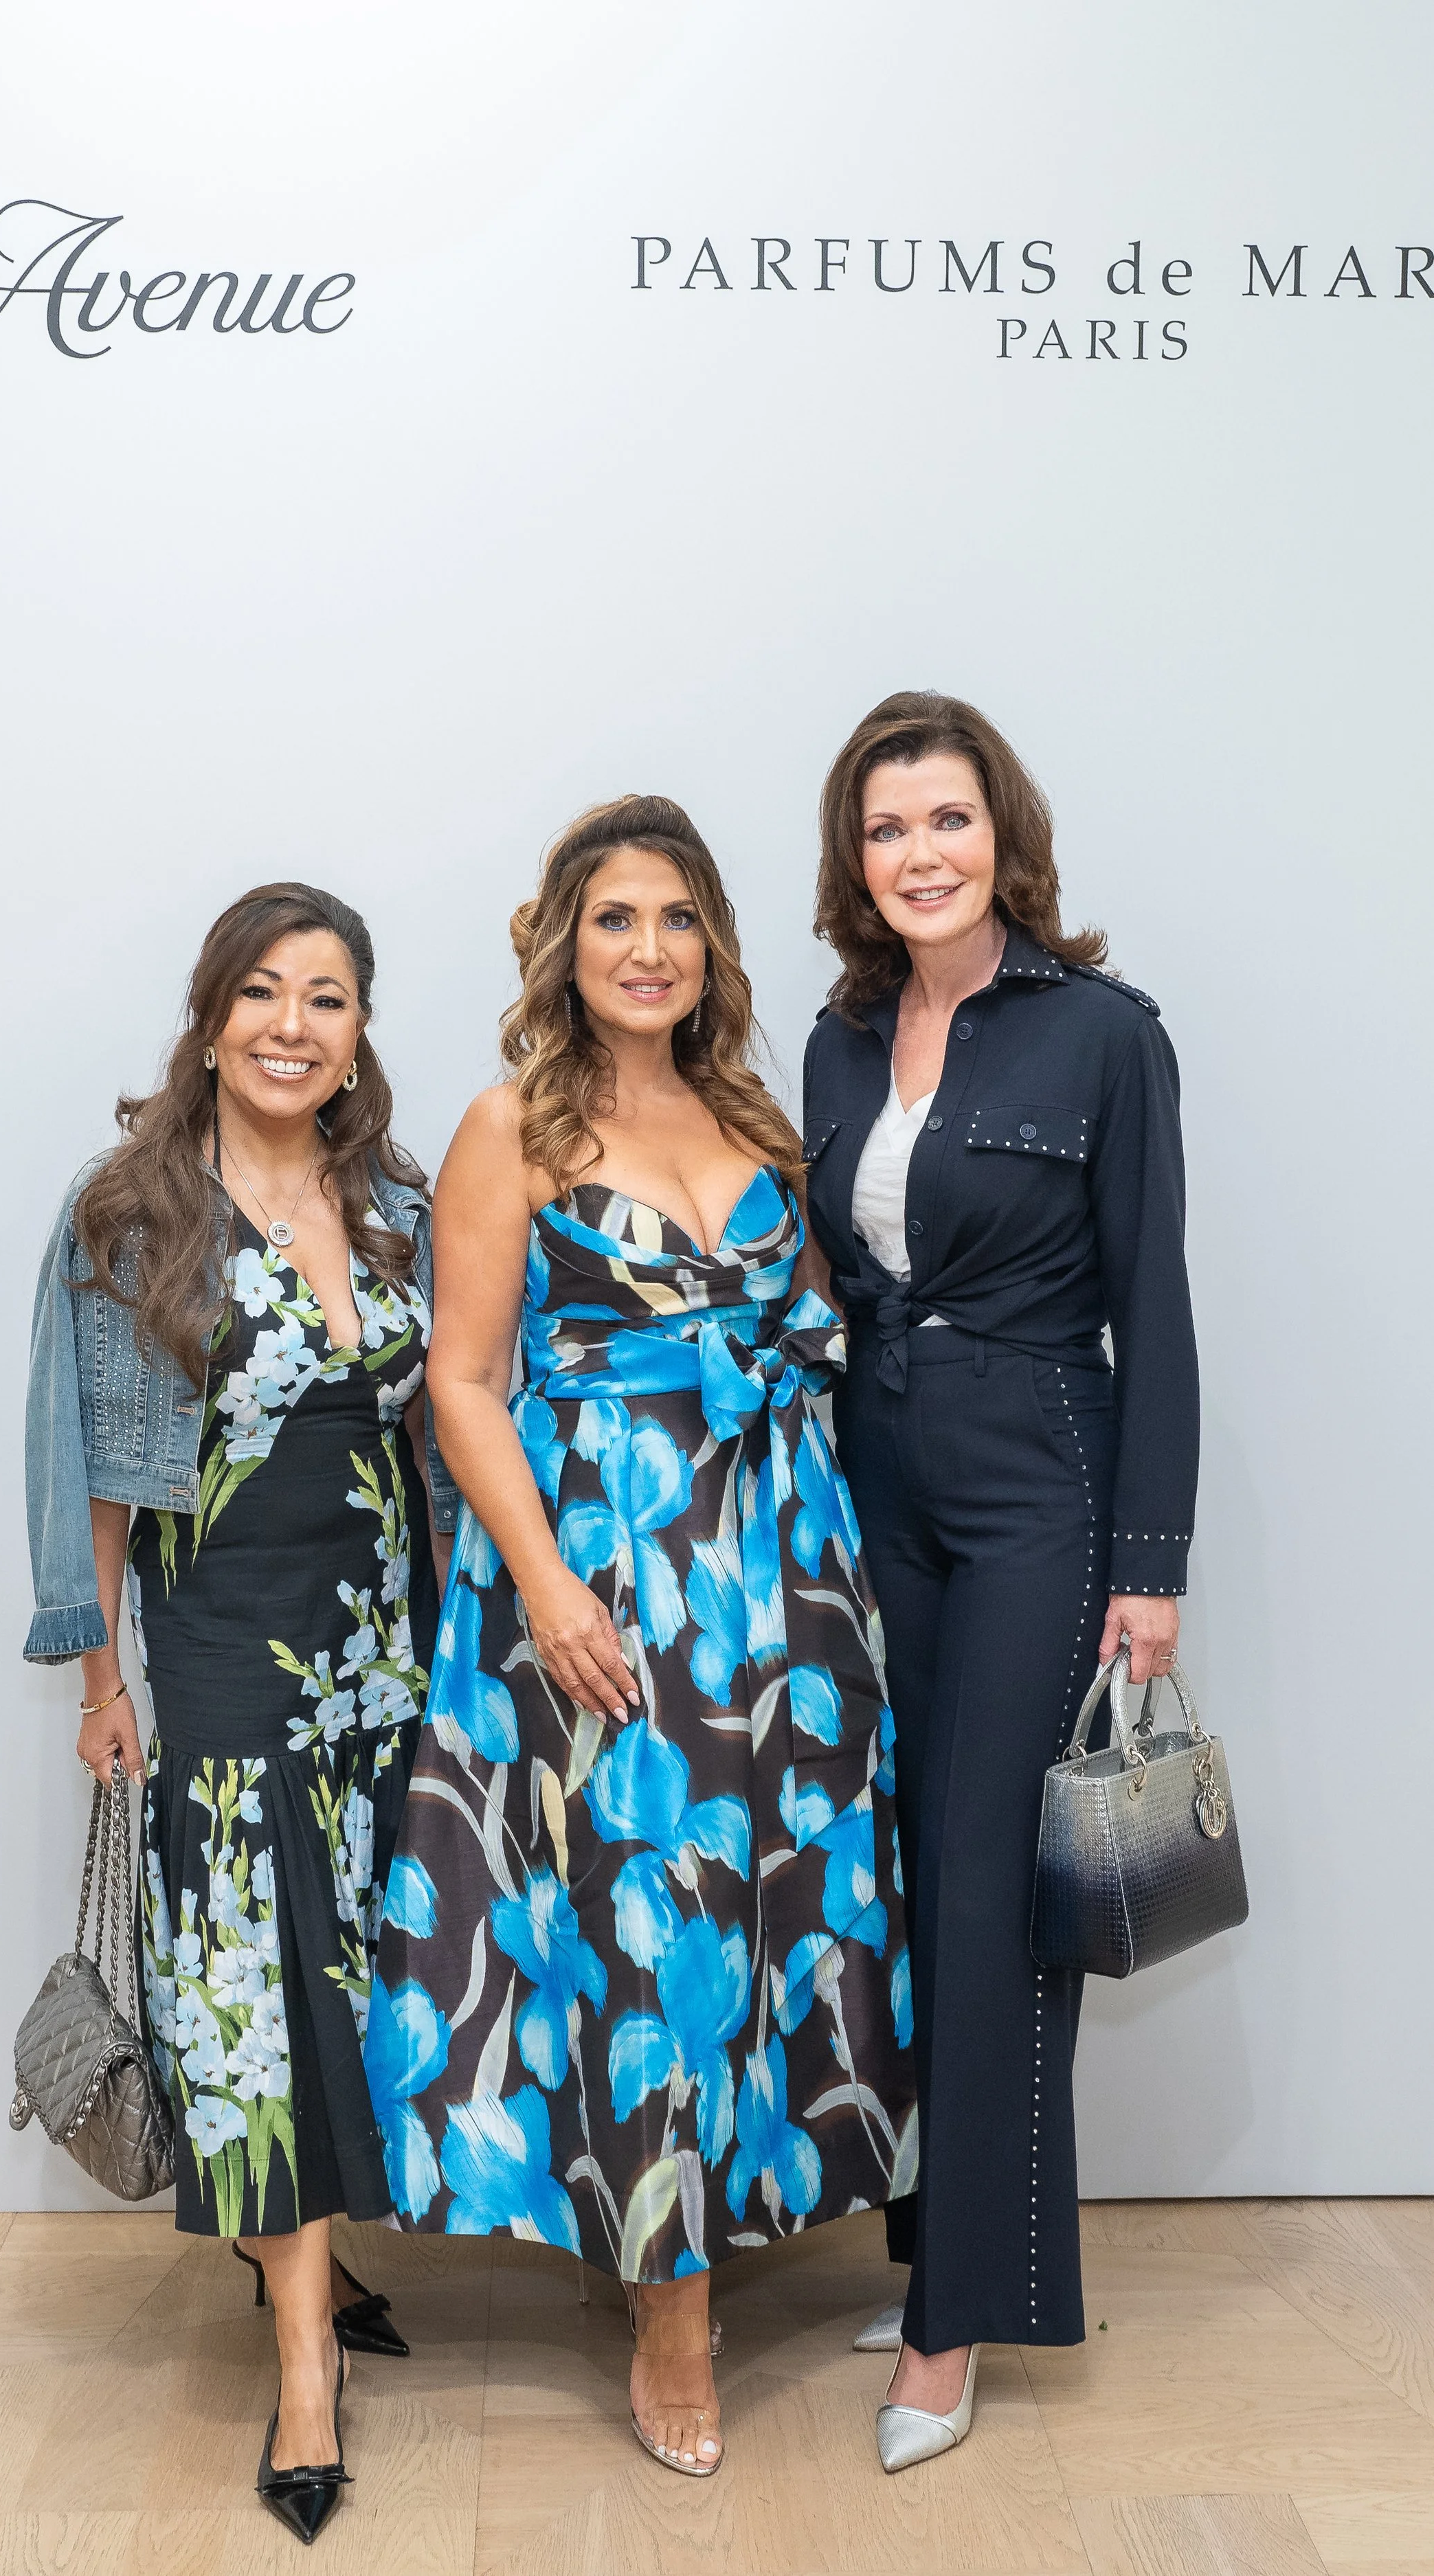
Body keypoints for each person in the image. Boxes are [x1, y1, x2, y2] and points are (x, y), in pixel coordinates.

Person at [364, 796, 916, 2479]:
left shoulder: (754, 1116)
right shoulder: (509, 1128)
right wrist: (543, 1587)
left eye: (676, 918)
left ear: (711, 946)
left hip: (785, 1573)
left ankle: (723, 2216)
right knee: (643, 1916)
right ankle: (670, 2314)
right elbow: (462, 1380)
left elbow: (818, 1338)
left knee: (766, 1915)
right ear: (562, 943)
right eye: (614, 917)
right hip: (606, 1572)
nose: (647, 948)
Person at [23, 882, 456, 2545]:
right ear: (211, 1022)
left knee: (355, 1964)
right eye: (261, 992)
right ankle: (301, 2370)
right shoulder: (131, 1211)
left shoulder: (398, 1204)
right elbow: (86, 1460)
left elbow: (452, 1413)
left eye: (326, 997)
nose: (291, 1025)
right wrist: (100, 1673)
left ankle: (312, 2264)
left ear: (358, 1032)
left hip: (386, 1647)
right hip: (218, 1650)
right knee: (246, 1993)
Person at [800, 693, 1199, 2471]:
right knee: (902, 1876)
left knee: (988, 1889)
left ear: (1002, 834)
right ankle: (949, 2249)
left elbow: (1154, 1306)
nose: (919, 853)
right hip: (872, 1476)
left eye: (946, 818)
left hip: (1040, 1475)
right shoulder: (839, 1038)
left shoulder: (1102, 1034)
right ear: (854, 857)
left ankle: (953, 2321)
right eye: (886, 826)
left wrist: (1148, 1568)